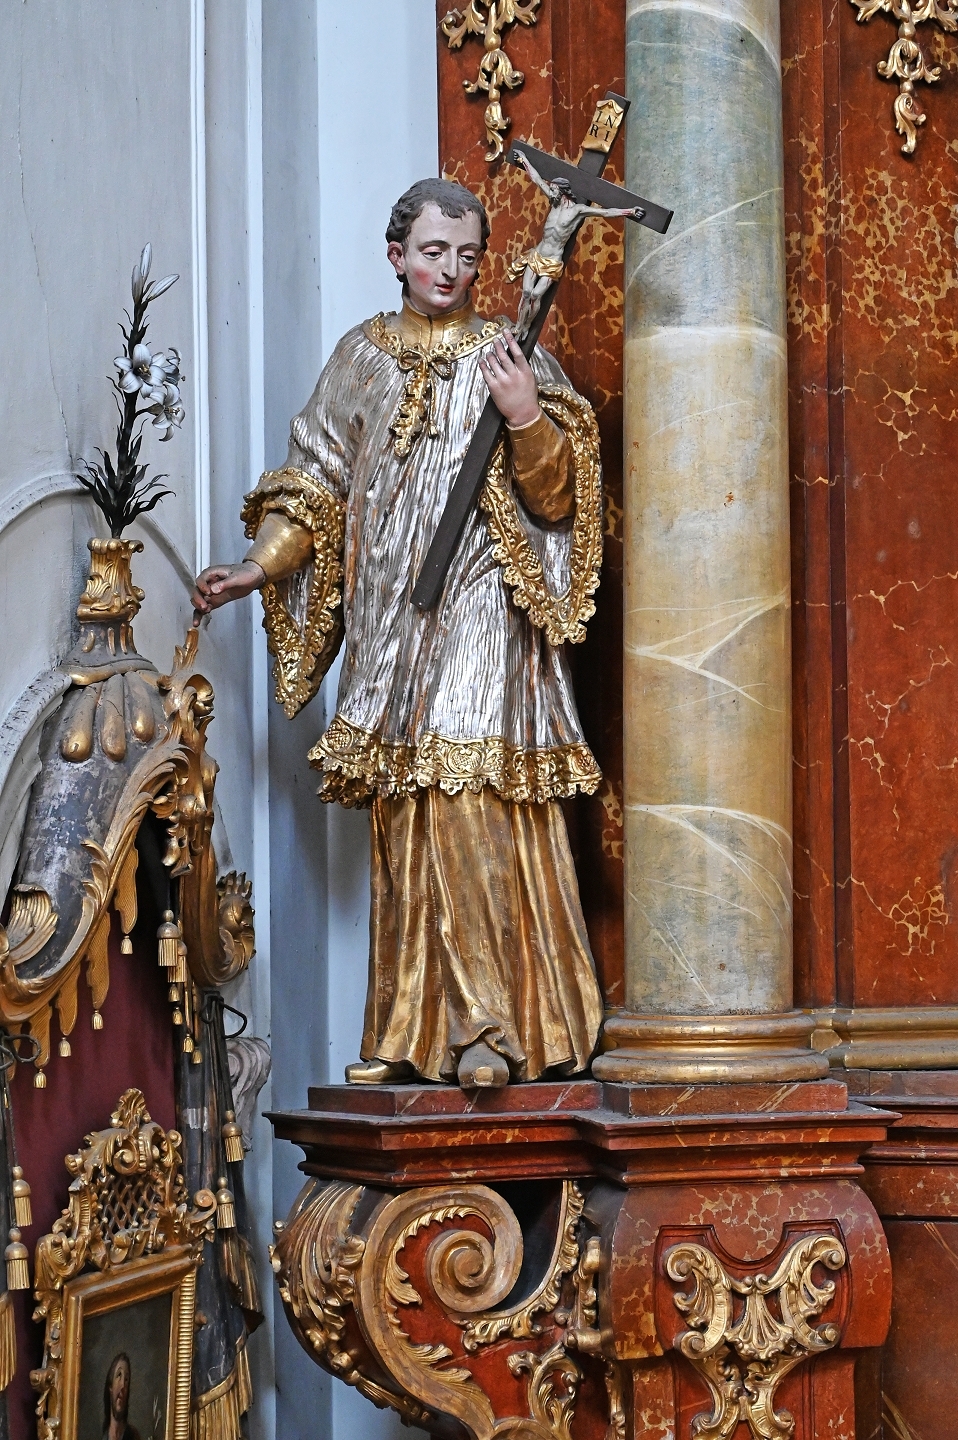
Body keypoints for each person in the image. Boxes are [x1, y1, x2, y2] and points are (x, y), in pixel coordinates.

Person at [192, 177, 605, 1089]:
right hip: (391, 614)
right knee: (407, 809)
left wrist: (526, 414)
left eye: (466, 255)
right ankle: (411, 1027)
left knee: (469, 796)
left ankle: (490, 1029)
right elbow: (316, 483)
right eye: (431, 252)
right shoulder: (361, 355)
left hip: (484, 608)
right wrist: (258, 566)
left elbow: (558, 499)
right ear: (397, 256)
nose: (449, 270)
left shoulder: (511, 353)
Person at [507, 148, 644, 337]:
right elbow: (537, 179)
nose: (551, 192)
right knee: (526, 292)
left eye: (554, 189)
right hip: (537, 255)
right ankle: (519, 326)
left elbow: (605, 212)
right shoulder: (554, 201)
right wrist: (524, 160)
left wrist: (629, 211)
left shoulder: (578, 210)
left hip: (553, 261)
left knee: (536, 295)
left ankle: (527, 325)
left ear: (562, 191)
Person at [102, 1353, 141, 1440]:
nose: (123, 1385)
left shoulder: (133, 1436)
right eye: (119, 1375)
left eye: (126, 1379)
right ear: (110, 1386)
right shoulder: (104, 1437)